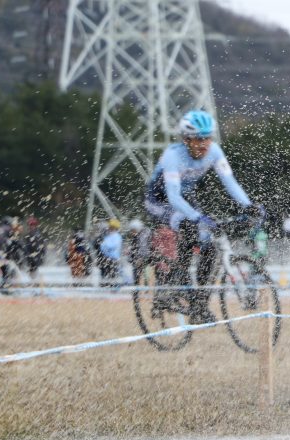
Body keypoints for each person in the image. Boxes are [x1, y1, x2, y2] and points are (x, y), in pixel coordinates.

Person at [144, 109, 261, 324]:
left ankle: (199, 303)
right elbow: (173, 196)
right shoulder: (172, 156)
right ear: (186, 139)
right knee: (189, 225)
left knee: (210, 244)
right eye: (198, 139)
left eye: (207, 138)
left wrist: (248, 205)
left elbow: (230, 182)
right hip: (160, 201)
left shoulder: (214, 151)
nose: (204, 144)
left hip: (186, 199)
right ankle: (173, 284)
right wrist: (197, 218)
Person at [97, 219, 123, 285]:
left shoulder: (117, 236)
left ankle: (114, 287)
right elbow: (102, 247)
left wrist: (105, 246)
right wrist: (104, 246)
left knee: (113, 275)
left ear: (115, 228)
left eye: (111, 227)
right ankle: (106, 286)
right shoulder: (108, 236)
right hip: (106, 258)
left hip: (113, 259)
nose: (110, 229)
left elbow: (112, 245)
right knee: (106, 275)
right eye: (110, 227)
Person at [22, 216, 46, 282]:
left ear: (36, 225)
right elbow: (25, 246)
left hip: (36, 255)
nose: (32, 226)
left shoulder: (38, 235)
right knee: (32, 268)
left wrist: (42, 254)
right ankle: (32, 279)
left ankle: (34, 280)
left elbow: (42, 246)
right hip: (30, 255)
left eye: (33, 225)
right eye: (31, 225)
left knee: (34, 268)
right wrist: (26, 254)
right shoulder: (28, 234)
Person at [127, 218, 151, 285]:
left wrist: (140, 258)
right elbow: (134, 248)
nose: (132, 232)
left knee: (143, 277)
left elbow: (143, 248)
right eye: (131, 231)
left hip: (143, 260)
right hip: (139, 260)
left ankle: (142, 289)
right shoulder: (138, 235)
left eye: (133, 230)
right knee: (139, 277)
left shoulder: (143, 235)